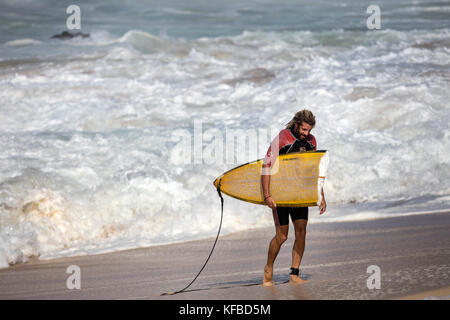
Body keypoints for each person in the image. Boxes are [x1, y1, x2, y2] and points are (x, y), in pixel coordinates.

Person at [261, 109, 326, 286]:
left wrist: (320, 195)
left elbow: (314, 170)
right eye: (304, 129)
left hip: (299, 194)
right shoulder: (283, 138)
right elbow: (266, 166)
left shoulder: (311, 142)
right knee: (282, 236)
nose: (306, 134)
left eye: (309, 130)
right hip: (281, 194)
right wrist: (267, 195)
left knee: (301, 232)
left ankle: (294, 273)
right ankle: (268, 269)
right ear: (296, 125)